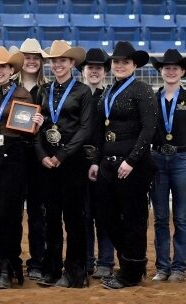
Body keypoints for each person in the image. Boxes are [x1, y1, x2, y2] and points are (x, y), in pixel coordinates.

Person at [87, 41, 157, 289]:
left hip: (132, 166)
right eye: (116, 62)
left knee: (134, 218)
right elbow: (98, 131)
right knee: (106, 217)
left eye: (124, 62)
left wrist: (132, 160)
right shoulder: (107, 92)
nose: (119, 65)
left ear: (134, 65)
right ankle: (131, 262)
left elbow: (149, 129)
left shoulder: (143, 90)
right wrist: (96, 161)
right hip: (107, 164)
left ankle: (130, 271)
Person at [0, 46, 43, 289]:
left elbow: (31, 130)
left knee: (10, 215)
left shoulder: (24, 94)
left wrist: (36, 124)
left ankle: (9, 266)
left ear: (11, 69)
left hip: (13, 159)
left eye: (3, 67)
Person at [35, 40, 92, 288]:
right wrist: (41, 155)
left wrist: (64, 154)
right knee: (51, 219)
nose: (57, 64)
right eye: (53, 61)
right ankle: (52, 268)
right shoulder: (43, 91)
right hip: (47, 163)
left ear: (72, 63)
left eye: (62, 61)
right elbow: (35, 127)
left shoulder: (82, 92)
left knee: (74, 219)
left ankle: (75, 272)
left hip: (73, 163)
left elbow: (85, 127)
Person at [149, 49, 186, 283]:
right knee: (160, 217)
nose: (170, 71)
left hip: (183, 159)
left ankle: (180, 267)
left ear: (182, 71)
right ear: (160, 71)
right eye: (166, 67)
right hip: (157, 159)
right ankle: (162, 267)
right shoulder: (153, 98)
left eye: (175, 67)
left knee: (182, 217)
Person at [78, 48, 116, 279]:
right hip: (78, 162)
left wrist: (100, 160)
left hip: (103, 163)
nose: (94, 71)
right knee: (83, 214)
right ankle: (86, 259)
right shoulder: (75, 95)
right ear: (83, 71)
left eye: (98, 68)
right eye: (90, 67)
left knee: (104, 213)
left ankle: (106, 260)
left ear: (105, 72)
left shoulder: (110, 96)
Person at [14, 38, 48, 280]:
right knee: (13, 212)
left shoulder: (48, 90)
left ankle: (38, 260)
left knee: (38, 211)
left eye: (36, 57)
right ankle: (12, 260)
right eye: (27, 57)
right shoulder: (8, 86)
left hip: (39, 157)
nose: (32, 61)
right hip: (14, 153)